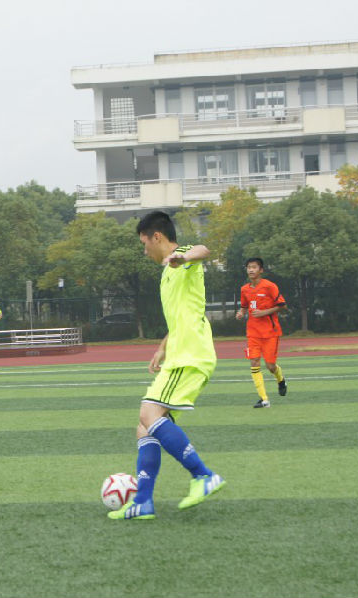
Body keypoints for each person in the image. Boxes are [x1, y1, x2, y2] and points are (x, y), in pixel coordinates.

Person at [109, 211, 225, 520]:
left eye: (144, 242)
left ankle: (203, 475)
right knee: (144, 426)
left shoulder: (183, 258)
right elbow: (182, 317)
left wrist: (183, 257)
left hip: (191, 356)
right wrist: (162, 348)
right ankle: (143, 503)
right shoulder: (166, 274)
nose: (144, 250)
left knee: (149, 413)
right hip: (179, 355)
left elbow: (203, 250)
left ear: (156, 237)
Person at [236, 258, 287, 408]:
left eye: (254, 267)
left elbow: (282, 306)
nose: (251, 270)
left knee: (270, 366)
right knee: (254, 362)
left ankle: (281, 380)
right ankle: (264, 399)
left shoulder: (269, 286)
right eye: (248, 267)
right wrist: (241, 313)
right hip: (253, 333)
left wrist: (264, 312)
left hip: (270, 333)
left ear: (261, 270)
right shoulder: (244, 289)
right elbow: (244, 306)